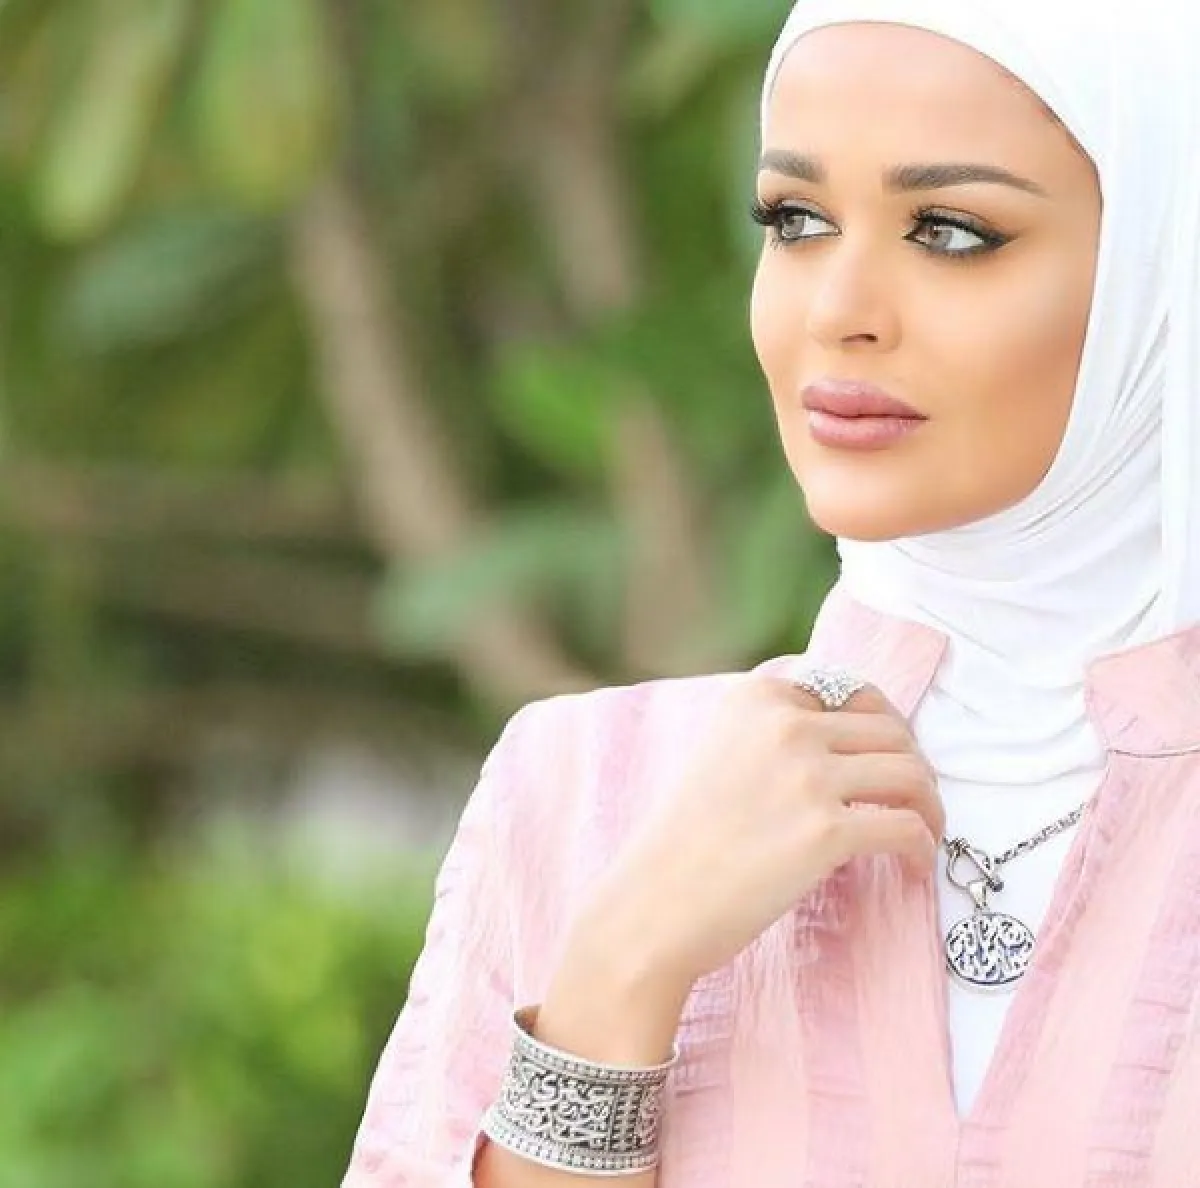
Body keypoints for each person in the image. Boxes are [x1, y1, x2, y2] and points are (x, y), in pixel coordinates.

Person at [341, 0, 1200, 1184]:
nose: (837, 310)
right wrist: (623, 970)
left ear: (1165, 270)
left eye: (951, 232)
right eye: (796, 221)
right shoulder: (583, 788)